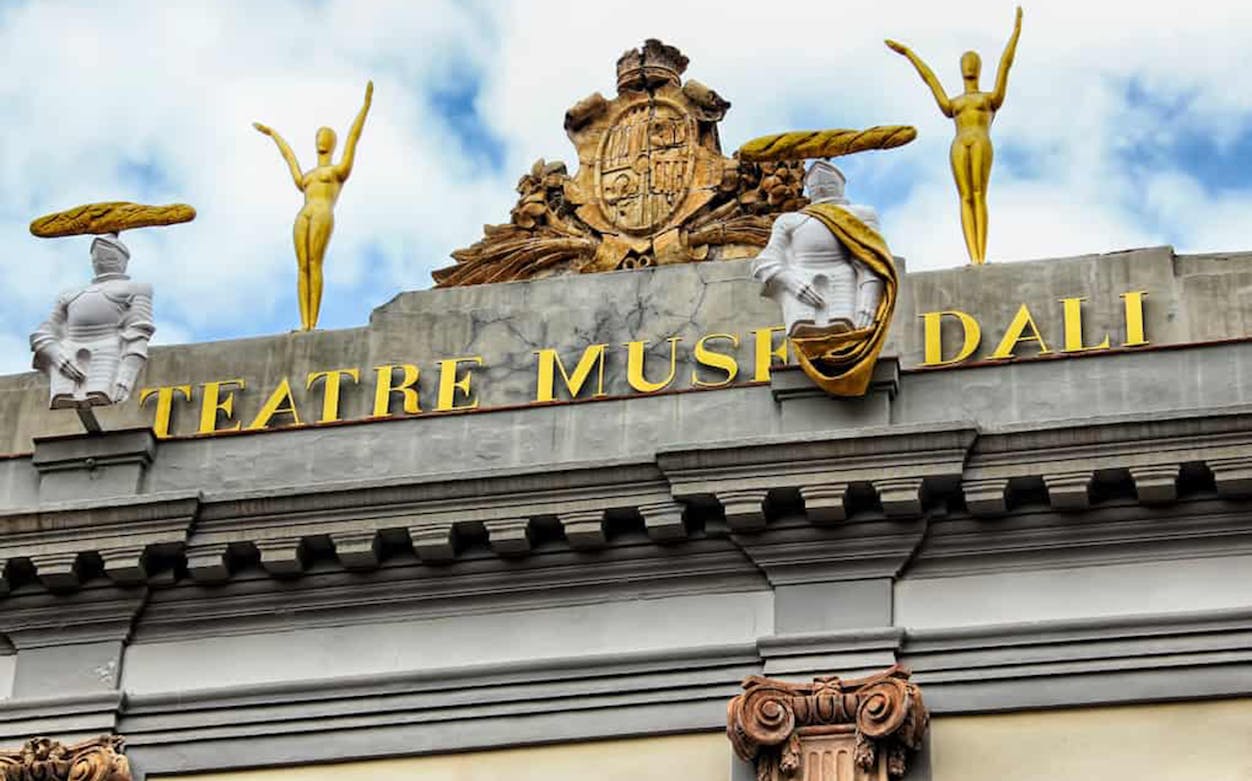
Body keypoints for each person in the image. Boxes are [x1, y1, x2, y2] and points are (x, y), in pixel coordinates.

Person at [886, 7, 1022, 264]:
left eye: (973, 62)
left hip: (980, 140)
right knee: (965, 196)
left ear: (979, 68)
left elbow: (1006, 64)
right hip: (959, 143)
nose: (969, 66)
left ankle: (980, 257)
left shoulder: (989, 99)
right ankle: (974, 257)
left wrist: (1016, 32)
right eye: (965, 63)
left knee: (979, 194)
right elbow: (930, 79)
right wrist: (908, 53)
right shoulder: (954, 103)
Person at [254, 81, 373, 330]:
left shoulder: (338, 170)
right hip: (304, 214)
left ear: (332, 142)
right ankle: (304, 324)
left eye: (326, 136)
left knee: (314, 263)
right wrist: (273, 134)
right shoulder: (306, 176)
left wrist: (365, 106)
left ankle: (312, 325)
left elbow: (353, 137)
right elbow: (288, 157)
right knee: (301, 267)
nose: (321, 139)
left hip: (322, 212)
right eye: (318, 136)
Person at [752, 161, 885, 338]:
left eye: (829, 182)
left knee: (842, 327)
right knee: (803, 328)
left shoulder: (860, 214)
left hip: (842, 282)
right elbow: (764, 261)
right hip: (801, 283)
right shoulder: (789, 220)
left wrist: (867, 305)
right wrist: (790, 281)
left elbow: (871, 262)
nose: (821, 185)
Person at [30, 233, 155, 408]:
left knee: (98, 394)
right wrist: (56, 353)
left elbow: (139, 331)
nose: (102, 260)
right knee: (63, 397)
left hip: (108, 350)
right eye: (97, 257)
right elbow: (44, 332)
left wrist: (126, 375)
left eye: (110, 257)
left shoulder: (137, 289)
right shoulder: (68, 294)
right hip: (68, 351)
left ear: (123, 260)